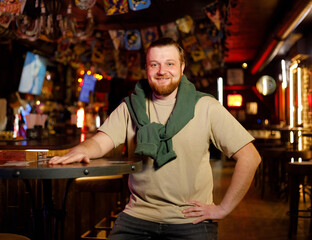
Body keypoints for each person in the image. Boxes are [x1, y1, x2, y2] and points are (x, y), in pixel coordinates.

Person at [49, 38, 261, 240]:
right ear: (147, 68)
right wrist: (82, 149)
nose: (162, 71)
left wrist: (223, 209)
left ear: (182, 67)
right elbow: (99, 141)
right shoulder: (131, 106)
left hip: (190, 219)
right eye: (154, 64)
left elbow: (250, 157)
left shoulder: (206, 107)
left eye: (170, 63)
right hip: (137, 216)